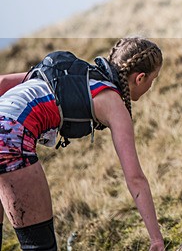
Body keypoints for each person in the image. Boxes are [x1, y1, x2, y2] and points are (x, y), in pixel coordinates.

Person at [0, 37, 165, 251]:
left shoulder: (71, 73)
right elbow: (135, 179)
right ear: (140, 78)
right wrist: (156, 239)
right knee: (39, 246)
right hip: (10, 137)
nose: (151, 86)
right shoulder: (112, 103)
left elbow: (3, 82)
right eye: (153, 79)